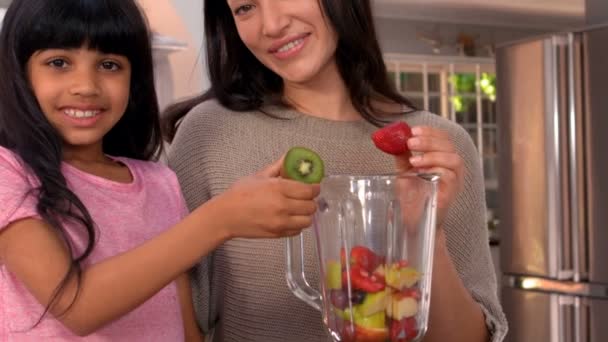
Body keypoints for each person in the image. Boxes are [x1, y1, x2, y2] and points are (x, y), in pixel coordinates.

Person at [163, 1, 508, 342]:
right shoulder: (207, 135)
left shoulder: (439, 150)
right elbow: (170, 319)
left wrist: (425, 231)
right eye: (245, 8)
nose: (270, 25)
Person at [0, 0, 319, 341]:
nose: (86, 86)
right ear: (18, 72)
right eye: (59, 62)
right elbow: (76, 305)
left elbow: (183, 325)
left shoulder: (160, 183)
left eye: (109, 65)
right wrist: (221, 219)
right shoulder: (9, 172)